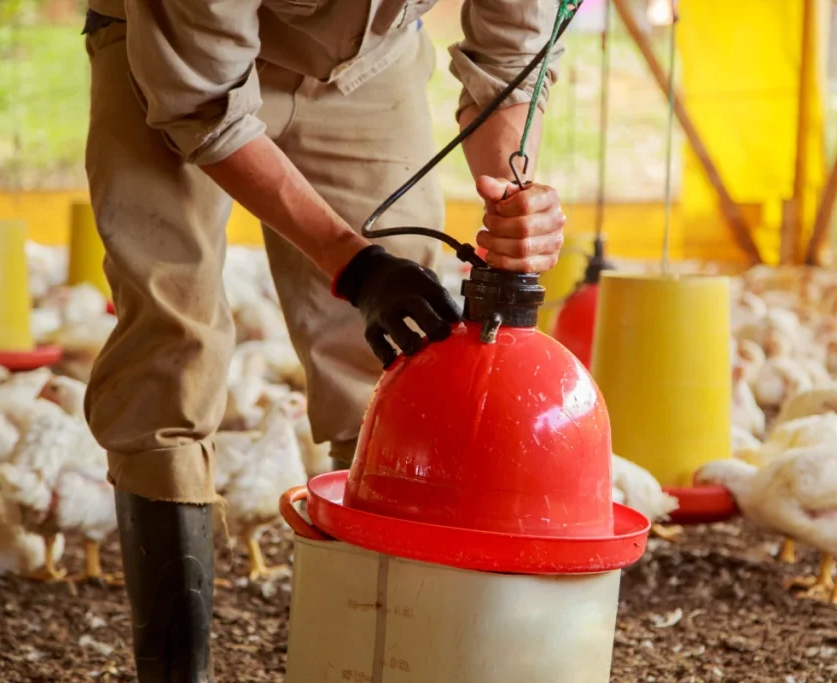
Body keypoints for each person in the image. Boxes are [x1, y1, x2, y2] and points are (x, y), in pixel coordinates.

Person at [81, 1, 568, 680]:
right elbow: (201, 101)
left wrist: (515, 192)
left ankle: (375, 662)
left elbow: (512, 58)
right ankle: (174, 670)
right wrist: (354, 263)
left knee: (400, 361)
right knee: (172, 339)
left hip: (365, 61)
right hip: (172, 53)